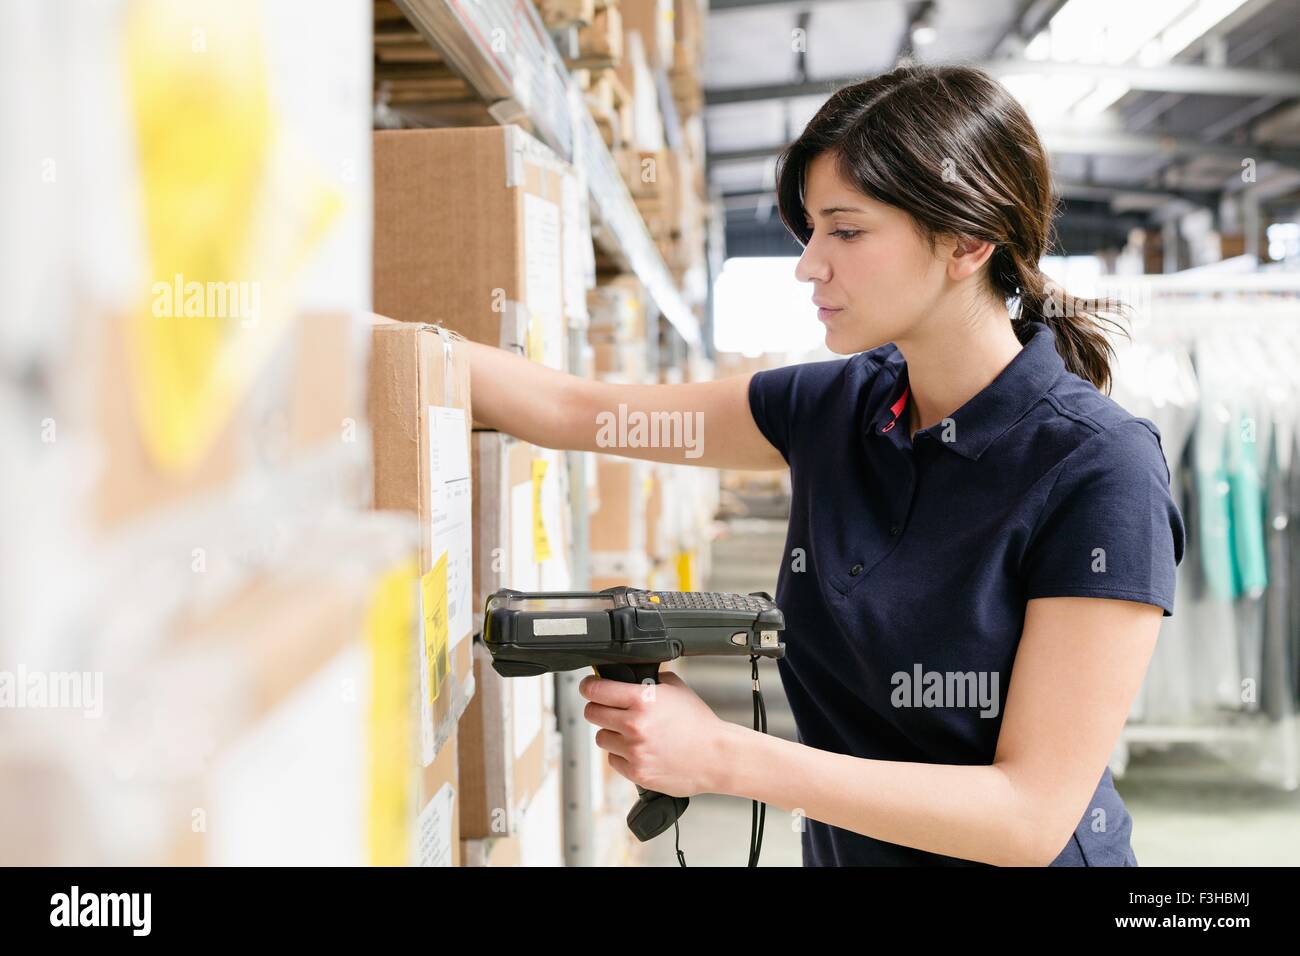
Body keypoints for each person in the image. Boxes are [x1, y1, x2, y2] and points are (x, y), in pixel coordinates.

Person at [462, 64, 1185, 866]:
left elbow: (1028, 817)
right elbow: (575, 412)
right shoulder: (835, 409)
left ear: (968, 240)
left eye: (845, 230)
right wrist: (356, 337)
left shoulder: (1100, 468)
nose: (809, 264)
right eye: (809, 230)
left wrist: (724, 755)